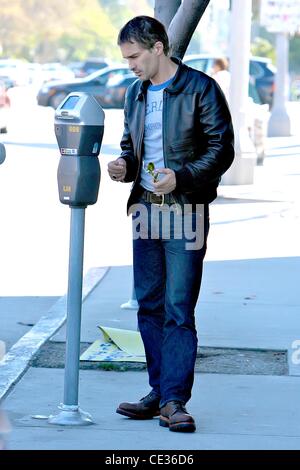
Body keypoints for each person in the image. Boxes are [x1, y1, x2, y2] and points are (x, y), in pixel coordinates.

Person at [108, 15, 234, 433]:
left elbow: (222, 149)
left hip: (186, 210)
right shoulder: (135, 93)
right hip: (144, 208)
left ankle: (175, 400)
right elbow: (131, 143)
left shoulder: (201, 88)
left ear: (158, 47)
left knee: (179, 310)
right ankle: (159, 392)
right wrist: (124, 164)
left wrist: (181, 175)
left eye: (135, 56)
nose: (130, 65)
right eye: (126, 59)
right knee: (149, 305)